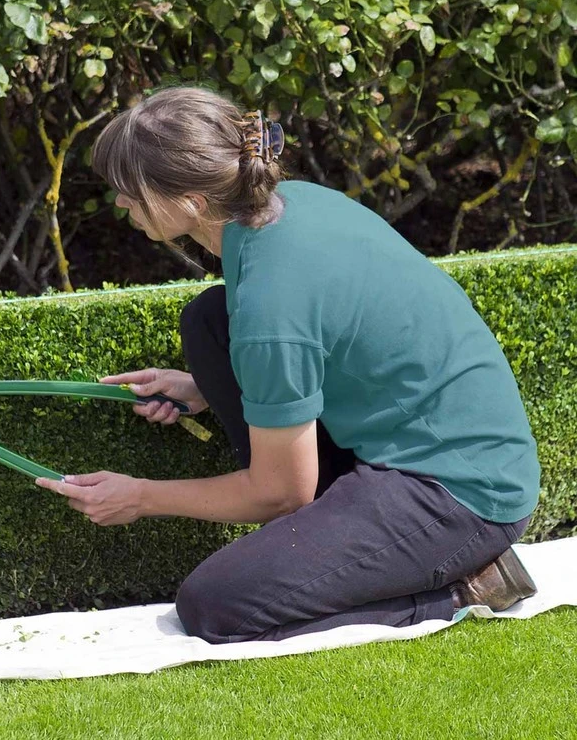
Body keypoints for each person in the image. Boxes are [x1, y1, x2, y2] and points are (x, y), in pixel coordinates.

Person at [34, 86, 540, 643]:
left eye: (129, 192)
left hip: (461, 494)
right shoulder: (287, 206)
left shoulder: (271, 303)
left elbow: (281, 494)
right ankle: (336, 545)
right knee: (208, 321)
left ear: (192, 201)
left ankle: (463, 587)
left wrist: (141, 495)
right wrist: (202, 387)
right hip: (433, 444)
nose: (121, 205)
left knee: (215, 606)